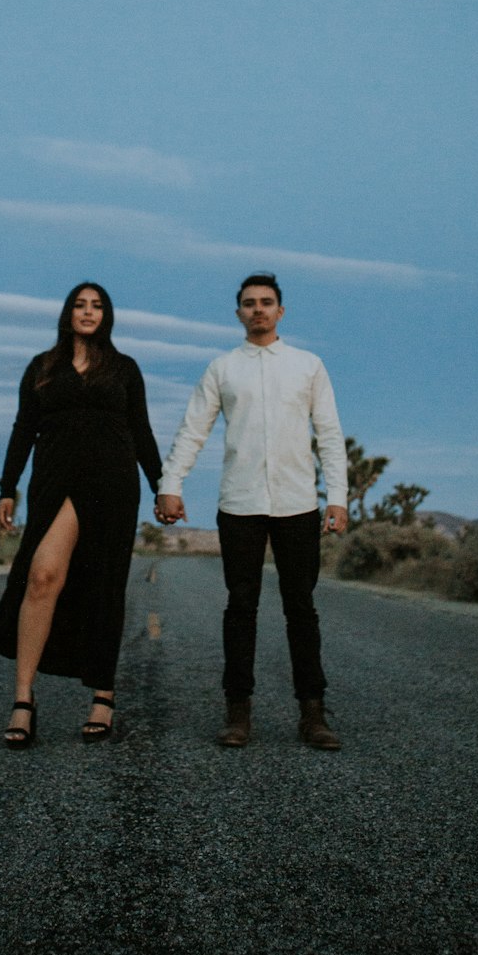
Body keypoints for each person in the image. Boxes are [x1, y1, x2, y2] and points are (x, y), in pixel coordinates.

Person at [155, 273, 348, 750]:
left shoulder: (308, 366)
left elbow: (329, 434)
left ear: (281, 311)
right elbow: (192, 430)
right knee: (241, 608)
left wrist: (338, 498)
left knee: (301, 608)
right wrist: (170, 485)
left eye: (266, 302)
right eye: (249, 303)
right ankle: (238, 713)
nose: (258, 309)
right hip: (239, 505)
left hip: (298, 504)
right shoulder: (222, 369)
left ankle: (313, 714)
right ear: (238, 312)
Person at [0, 282, 163, 749]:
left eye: (97, 305)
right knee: (42, 576)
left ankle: (103, 695)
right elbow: (24, 427)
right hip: (55, 481)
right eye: (80, 305)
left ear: (107, 315)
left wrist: (164, 486)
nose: (88, 312)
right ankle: (24, 699)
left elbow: (140, 430)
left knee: (104, 585)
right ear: (67, 313)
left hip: (113, 484)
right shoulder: (43, 367)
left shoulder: (123, 369)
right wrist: (7, 488)